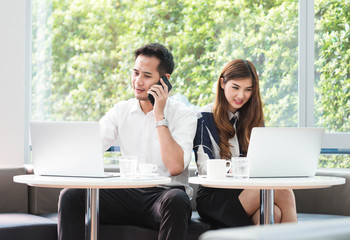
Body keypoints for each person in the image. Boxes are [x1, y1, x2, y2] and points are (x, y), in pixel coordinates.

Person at [58, 43, 197, 240]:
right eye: (135, 73)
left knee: (177, 200)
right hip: (126, 195)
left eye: (147, 76)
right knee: (70, 195)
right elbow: (90, 148)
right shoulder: (121, 111)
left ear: (164, 81)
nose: (138, 82)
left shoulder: (184, 115)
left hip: (162, 197)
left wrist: (159, 115)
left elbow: (175, 167)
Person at [193, 59, 297, 227]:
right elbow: (204, 167)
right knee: (283, 191)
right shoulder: (203, 117)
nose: (241, 95)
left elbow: (263, 160)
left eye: (248, 90)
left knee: (275, 214)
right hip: (215, 197)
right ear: (222, 83)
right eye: (235, 87)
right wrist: (237, 168)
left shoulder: (254, 119)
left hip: (246, 191)